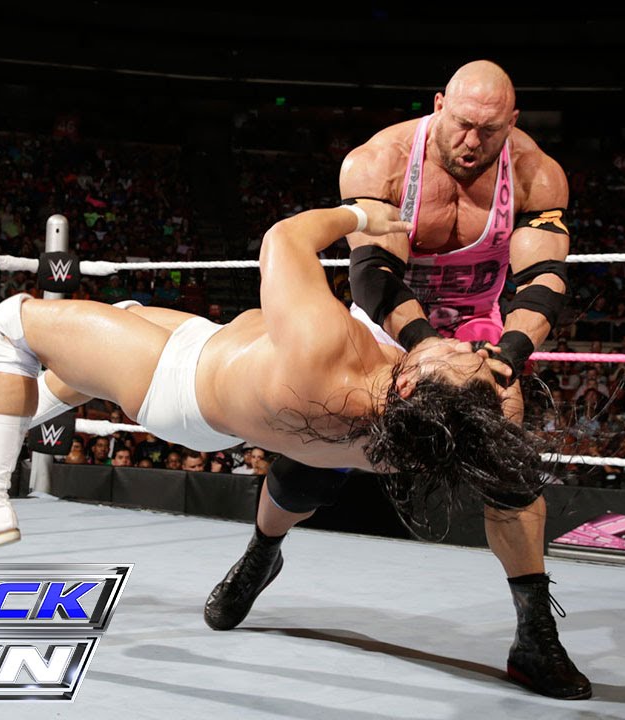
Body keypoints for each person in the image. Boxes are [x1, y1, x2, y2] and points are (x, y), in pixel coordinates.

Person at [206, 61, 589, 701]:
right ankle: (261, 553)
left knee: (510, 468)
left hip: (477, 333)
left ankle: (534, 635)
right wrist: (423, 347)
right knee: (311, 462)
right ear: (438, 105)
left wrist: (509, 354)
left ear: (513, 123)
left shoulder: (535, 173)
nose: (472, 142)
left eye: (489, 131)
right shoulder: (379, 163)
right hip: (388, 327)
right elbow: (374, 274)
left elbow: (544, 279)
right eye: (461, 124)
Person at [0, 202, 531, 563]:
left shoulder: (326, 351)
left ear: (412, 387)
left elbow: (283, 238)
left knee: (10, 324)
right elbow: (481, 421)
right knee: (116, 321)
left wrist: (362, 215)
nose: (462, 343)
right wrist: (492, 377)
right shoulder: (413, 443)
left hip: (175, 376)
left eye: (461, 357)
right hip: (212, 388)